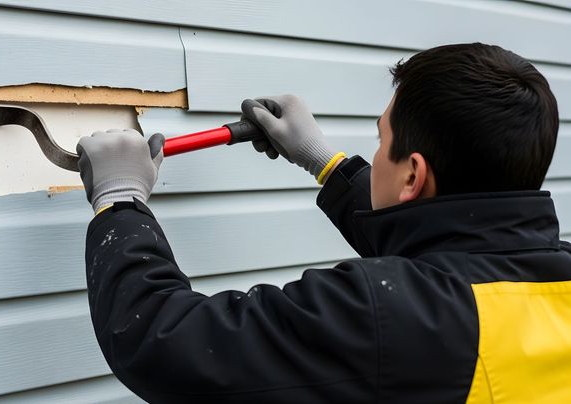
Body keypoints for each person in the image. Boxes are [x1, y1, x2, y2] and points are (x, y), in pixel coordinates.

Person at [76, 43, 570, 403]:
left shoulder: (380, 317)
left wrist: (119, 203)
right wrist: (326, 165)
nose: (375, 154)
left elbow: (165, 343)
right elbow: (450, 257)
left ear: (413, 174)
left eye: (381, 141)